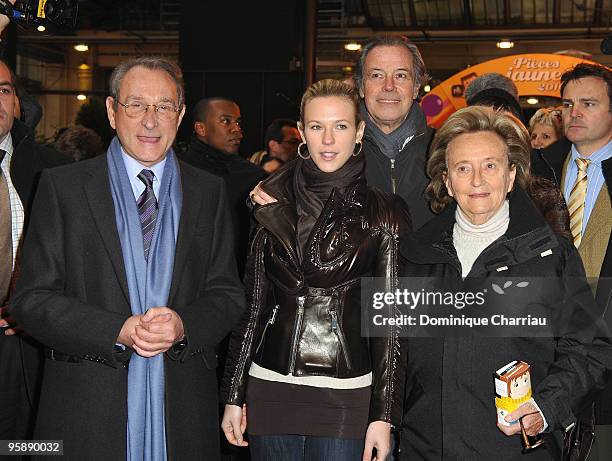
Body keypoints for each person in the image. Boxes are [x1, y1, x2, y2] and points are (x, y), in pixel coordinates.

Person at [10, 56, 245, 460]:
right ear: (112, 111)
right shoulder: (62, 188)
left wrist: (183, 324)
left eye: (164, 107)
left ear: (181, 114)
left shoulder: (209, 192)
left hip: (183, 411)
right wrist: (117, 329)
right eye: (136, 105)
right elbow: (31, 301)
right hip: (86, 410)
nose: (150, 121)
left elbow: (227, 294)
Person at [399, 106, 609, 460]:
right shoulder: (416, 257)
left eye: (490, 166)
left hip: (516, 449)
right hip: (426, 448)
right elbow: (394, 355)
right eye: (463, 168)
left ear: (511, 176)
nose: (477, 180)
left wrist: (546, 407)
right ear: (447, 181)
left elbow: (589, 348)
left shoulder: (548, 255)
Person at [221, 79, 410, 461]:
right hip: (269, 386)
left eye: (340, 126)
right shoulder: (270, 201)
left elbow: (392, 322)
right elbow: (253, 306)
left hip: (347, 394)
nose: (328, 139)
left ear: (358, 131)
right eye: (316, 126)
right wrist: (233, 393)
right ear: (302, 131)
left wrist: (384, 415)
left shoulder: (385, 211)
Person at [250, 36, 435, 230]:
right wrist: (260, 198)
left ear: (416, 88)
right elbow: (275, 199)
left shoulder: (444, 149)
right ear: (361, 87)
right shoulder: (331, 150)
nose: (388, 86)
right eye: (376, 75)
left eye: (400, 75)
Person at [0, 59, 67, 442]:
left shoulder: (54, 173)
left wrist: (37, 309)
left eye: (4, 90)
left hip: (33, 344)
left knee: (35, 445)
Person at [558, 62, 612, 459]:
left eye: (588, 103)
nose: (573, 113)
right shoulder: (536, 167)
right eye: (567, 103)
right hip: (549, 347)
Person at [179, 96, 266, 275]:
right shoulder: (176, 173)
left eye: (238, 122)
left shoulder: (254, 177)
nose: (237, 130)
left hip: (240, 284)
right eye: (226, 121)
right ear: (200, 128)